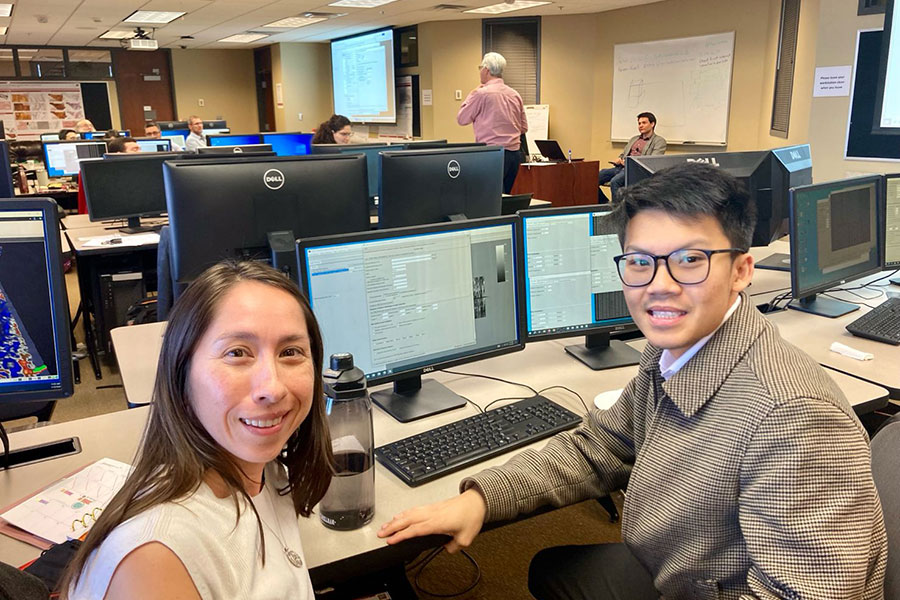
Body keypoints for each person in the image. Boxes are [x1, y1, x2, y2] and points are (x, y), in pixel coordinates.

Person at [379, 163, 887, 600]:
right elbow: (600, 445)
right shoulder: (677, 350)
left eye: (691, 260)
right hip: (679, 565)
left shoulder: (795, 417)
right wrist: (483, 498)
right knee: (551, 568)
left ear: (741, 270)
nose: (660, 286)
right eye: (640, 262)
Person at [62, 261, 334, 599]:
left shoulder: (269, 471)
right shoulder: (154, 561)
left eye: (290, 352)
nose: (273, 388)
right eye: (237, 353)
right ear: (182, 374)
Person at [457, 52, 528, 194]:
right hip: (514, 155)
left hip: (492, 155)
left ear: (486, 70)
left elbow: (462, 119)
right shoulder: (514, 94)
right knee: (505, 198)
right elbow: (523, 127)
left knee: (489, 199)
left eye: (480, 68)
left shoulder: (481, 94)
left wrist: (472, 93)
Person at [598, 112, 666, 202]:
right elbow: (624, 154)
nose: (641, 126)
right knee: (594, 177)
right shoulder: (634, 139)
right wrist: (620, 159)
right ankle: (605, 204)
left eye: (644, 123)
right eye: (639, 123)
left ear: (652, 124)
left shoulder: (659, 141)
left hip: (636, 171)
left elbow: (652, 161)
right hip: (621, 167)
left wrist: (629, 163)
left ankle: (618, 210)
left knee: (615, 182)